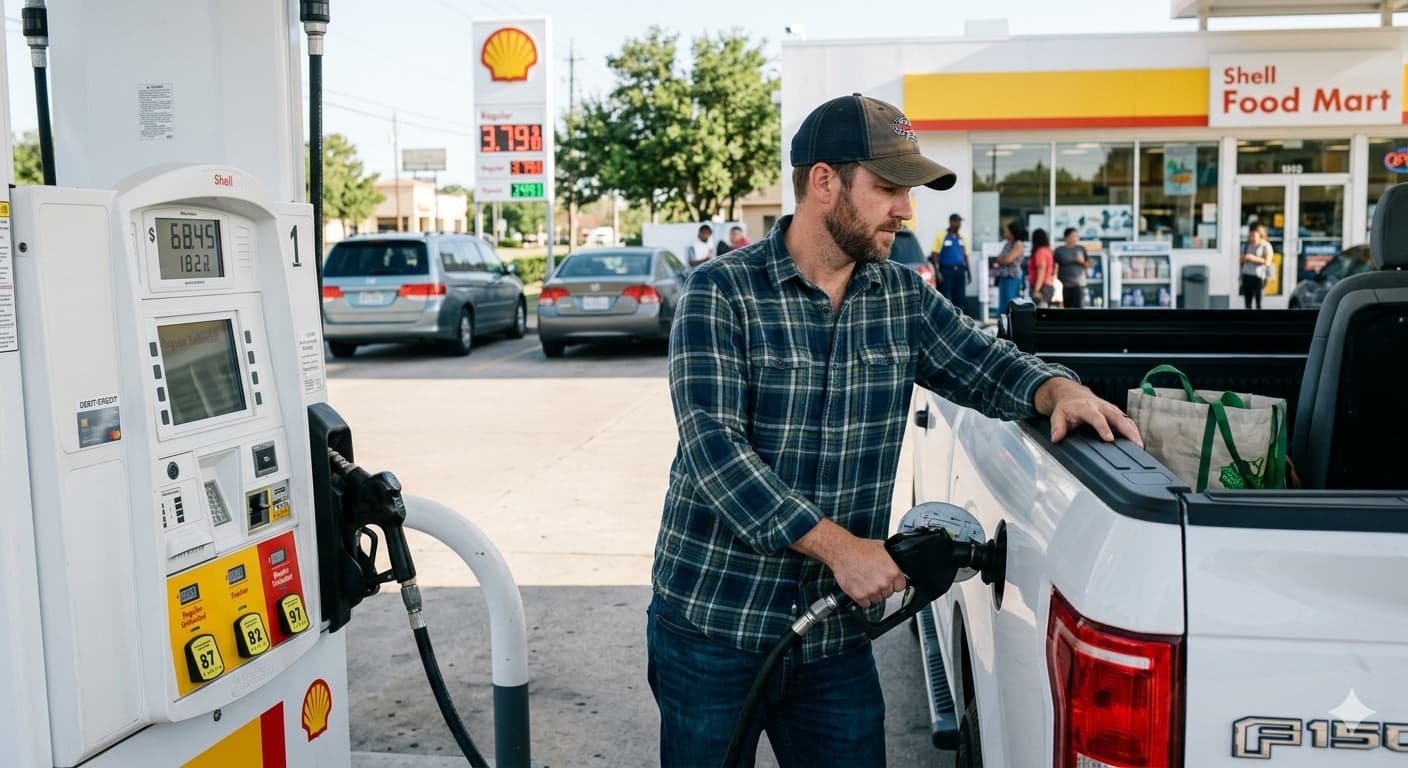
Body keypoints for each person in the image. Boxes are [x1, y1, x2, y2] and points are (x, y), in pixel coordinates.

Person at [649, 92, 1143, 768]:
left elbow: (984, 362)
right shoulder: (720, 294)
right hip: (712, 628)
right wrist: (843, 551)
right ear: (824, 182)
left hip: (833, 646)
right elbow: (716, 455)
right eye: (887, 188)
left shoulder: (900, 297)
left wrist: (1054, 387)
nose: (906, 209)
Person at [929, 212, 970, 314]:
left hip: (960, 271)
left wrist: (969, 272)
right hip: (946, 271)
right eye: (956, 221)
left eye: (960, 222)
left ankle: (960, 321)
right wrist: (937, 272)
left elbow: (965, 256)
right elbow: (935, 255)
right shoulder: (941, 235)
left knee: (960, 297)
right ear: (951, 222)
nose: (959, 224)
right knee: (946, 297)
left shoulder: (962, 237)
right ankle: (945, 320)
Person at [994, 220, 1026, 315]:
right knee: (1003, 304)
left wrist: (1000, 259)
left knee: (1010, 303)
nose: (1004, 233)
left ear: (1013, 232)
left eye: (1007, 231)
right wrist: (1001, 259)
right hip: (1004, 277)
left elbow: (1007, 260)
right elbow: (1000, 259)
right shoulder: (1007, 244)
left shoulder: (1018, 244)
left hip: (1012, 278)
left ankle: (1011, 326)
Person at [1053, 227, 1090, 308]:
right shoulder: (1059, 250)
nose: (1076, 238)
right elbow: (1054, 265)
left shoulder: (1081, 249)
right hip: (1064, 284)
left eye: (1077, 236)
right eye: (1073, 236)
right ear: (1066, 237)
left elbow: (1088, 265)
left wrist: (1082, 261)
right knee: (1067, 308)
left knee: (1078, 308)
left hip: (1079, 284)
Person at [1240, 223, 1272, 309]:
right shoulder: (1246, 245)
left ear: (1260, 235)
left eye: (1254, 235)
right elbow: (1240, 260)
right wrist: (1244, 258)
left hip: (1259, 277)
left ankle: (1259, 321)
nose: (1252, 238)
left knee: (1259, 303)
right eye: (1250, 235)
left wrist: (1253, 258)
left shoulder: (1265, 246)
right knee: (1248, 303)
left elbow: (1267, 261)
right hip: (1247, 275)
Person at [1028, 228, 1055, 307]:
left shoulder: (1041, 252)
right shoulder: (1047, 251)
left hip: (1042, 287)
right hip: (1047, 285)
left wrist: (1036, 290)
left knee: (1040, 312)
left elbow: (1041, 271)